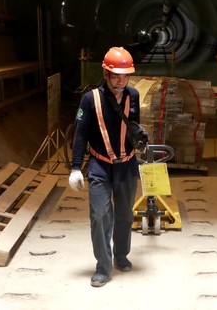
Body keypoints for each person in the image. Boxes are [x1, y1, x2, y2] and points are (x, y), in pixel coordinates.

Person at [68, 46, 142, 287]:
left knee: (124, 214)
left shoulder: (134, 96)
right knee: (100, 215)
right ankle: (103, 266)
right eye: (116, 75)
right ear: (106, 74)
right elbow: (80, 135)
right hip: (100, 165)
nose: (121, 81)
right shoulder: (90, 99)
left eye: (126, 76)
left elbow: (132, 126)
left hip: (127, 165)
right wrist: (76, 167)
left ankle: (121, 255)